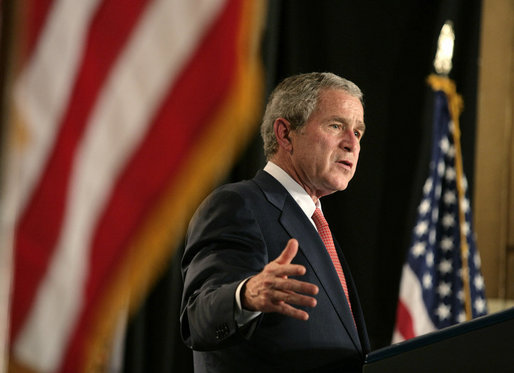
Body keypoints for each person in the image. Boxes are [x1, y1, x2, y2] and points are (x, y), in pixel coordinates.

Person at [180, 72, 370, 372]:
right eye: (336, 125)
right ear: (285, 134)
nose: (352, 144)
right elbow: (199, 317)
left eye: (358, 132)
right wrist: (246, 294)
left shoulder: (316, 224)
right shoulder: (239, 205)